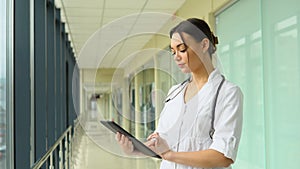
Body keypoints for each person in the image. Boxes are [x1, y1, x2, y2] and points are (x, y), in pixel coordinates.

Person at [115, 18, 243, 169]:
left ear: (204, 45)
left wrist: (170, 155)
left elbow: (223, 156)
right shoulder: (175, 92)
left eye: (182, 49)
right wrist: (134, 149)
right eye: (173, 51)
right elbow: (161, 141)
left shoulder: (227, 93)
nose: (176, 57)